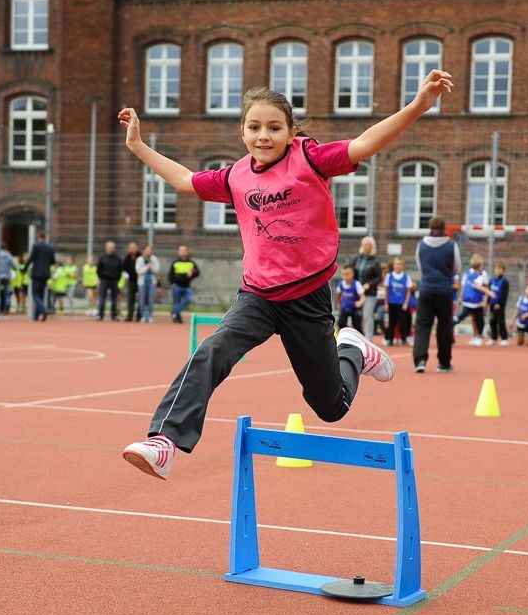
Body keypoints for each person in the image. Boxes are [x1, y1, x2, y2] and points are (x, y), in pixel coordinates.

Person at [116, 69, 452, 479]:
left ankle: (353, 350)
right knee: (212, 350)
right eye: (254, 127)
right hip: (257, 296)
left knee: (330, 407)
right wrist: (137, 145)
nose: (264, 136)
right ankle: (163, 441)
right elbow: (185, 180)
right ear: (242, 132)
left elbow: (365, 143)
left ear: (291, 132)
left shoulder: (309, 159)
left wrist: (418, 106)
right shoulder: (235, 176)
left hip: (307, 297)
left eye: (274, 128)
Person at [413, 216, 461, 372]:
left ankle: (420, 360)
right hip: (444, 290)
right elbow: (456, 268)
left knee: (422, 325)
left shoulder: (421, 245)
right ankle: (444, 363)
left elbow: (420, 267)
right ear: (444, 227)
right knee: (445, 326)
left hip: (426, 288)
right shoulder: (451, 245)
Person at [454, 253, 493, 346]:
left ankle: (479, 336)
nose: (481, 267)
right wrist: (461, 297)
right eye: (480, 265)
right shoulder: (467, 273)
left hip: (479, 301)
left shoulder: (483, 274)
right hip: (468, 301)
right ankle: (474, 335)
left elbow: (486, 287)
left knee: (479, 319)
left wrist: (485, 300)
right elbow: (464, 287)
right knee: (465, 316)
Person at [351, 236, 381, 339]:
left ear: (372, 246)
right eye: (363, 244)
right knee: (355, 314)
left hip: (370, 292)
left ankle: (368, 337)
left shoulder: (375, 260)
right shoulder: (357, 258)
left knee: (367, 315)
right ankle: (356, 337)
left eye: (367, 245)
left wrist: (369, 284)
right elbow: (351, 272)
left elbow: (379, 277)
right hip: (357, 292)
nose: (365, 247)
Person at [24, 230, 56, 321]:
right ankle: (36, 315)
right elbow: (53, 261)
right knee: (41, 294)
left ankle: (42, 309)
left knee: (35, 294)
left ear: (38, 238)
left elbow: (31, 258)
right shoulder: (49, 247)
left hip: (37, 273)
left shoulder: (36, 246)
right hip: (46, 273)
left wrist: (24, 269)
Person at [383, 256, 413, 346]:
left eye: (400, 264)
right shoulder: (389, 276)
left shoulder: (406, 277)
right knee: (392, 322)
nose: (398, 266)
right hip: (391, 303)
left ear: (403, 266)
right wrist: (386, 303)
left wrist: (406, 303)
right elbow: (386, 291)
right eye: (396, 264)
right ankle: (390, 339)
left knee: (402, 322)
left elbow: (408, 292)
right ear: (393, 265)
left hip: (401, 304)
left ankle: (403, 339)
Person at [168, 245, 200, 323]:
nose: (182, 252)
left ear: (187, 251)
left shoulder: (191, 262)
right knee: (177, 302)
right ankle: (178, 319)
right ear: (178, 252)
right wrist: (172, 283)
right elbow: (170, 274)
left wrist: (192, 274)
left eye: (184, 250)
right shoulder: (175, 262)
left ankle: (174, 312)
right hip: (177, 286)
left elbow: (197, 272)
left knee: (188, 300)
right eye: (181, 251)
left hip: (187, 286)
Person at [96, 240, 124, 321]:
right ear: (106, 248)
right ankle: (100, 315)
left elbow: (120, 269)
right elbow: (98, 269)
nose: (110, 249)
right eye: (109, 247)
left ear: (114, 248)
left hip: (114, 280)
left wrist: (117, 277)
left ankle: (114, 315)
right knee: (102, 298)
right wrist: (101, 277)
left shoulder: (118, 258)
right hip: (104, 280)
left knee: (114, 298)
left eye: (112, 247)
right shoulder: (102, 257)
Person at [135, 246, 160, 322]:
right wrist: (147, 267)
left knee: (151, 298)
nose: (149, 252)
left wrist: (151, 267)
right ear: (144, 251)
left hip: (152, 282)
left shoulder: (154, 259)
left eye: (150, 251)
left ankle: (150, 315)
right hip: (142, 282)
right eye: (147, 250)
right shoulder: (139, 259)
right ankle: (143, 315)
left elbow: (157, 269)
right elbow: (138, 271)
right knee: (142, 298)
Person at [487, 262, 510, 346]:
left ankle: (504, 338)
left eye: (500, 269)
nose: (497, 270)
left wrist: (499, 303)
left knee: (501, 321)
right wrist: (487, 302)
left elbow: (504, 294)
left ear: (503, 271)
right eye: (496, 269)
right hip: (492, 305)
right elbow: (488, 292)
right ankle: (494, 338)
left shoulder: (504, 281)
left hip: (500, 305)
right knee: (492, 321)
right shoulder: (492, 280)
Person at [336, 266, 365, 330]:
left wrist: (360, 302)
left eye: (347, 274)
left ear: (352, 274)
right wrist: (339, 303)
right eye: (343, 274)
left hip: (355, 308)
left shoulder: (357, 284)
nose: (345, 276)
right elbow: (338, 294)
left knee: (357, 327)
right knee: (341, 323)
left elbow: (363, 296)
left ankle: (358, 338)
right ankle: (343, 337)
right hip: (345, 307)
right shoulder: (340, 284)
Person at [122, 241, 141, 322]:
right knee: (131, 299)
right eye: (131, 248)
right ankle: (130, 316)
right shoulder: (127, 258)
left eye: (134, 248)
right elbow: (124, 268)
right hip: (132, 280)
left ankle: (139, 316)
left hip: (140, 281)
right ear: (128, 249)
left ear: (137, 248)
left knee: (141, 298)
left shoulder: (140, 256)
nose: (132, 249)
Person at [0, 245, 16, 314]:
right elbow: (14, 266)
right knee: (7, 293)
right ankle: (6, 307)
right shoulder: (8, 255)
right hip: (6, 277)